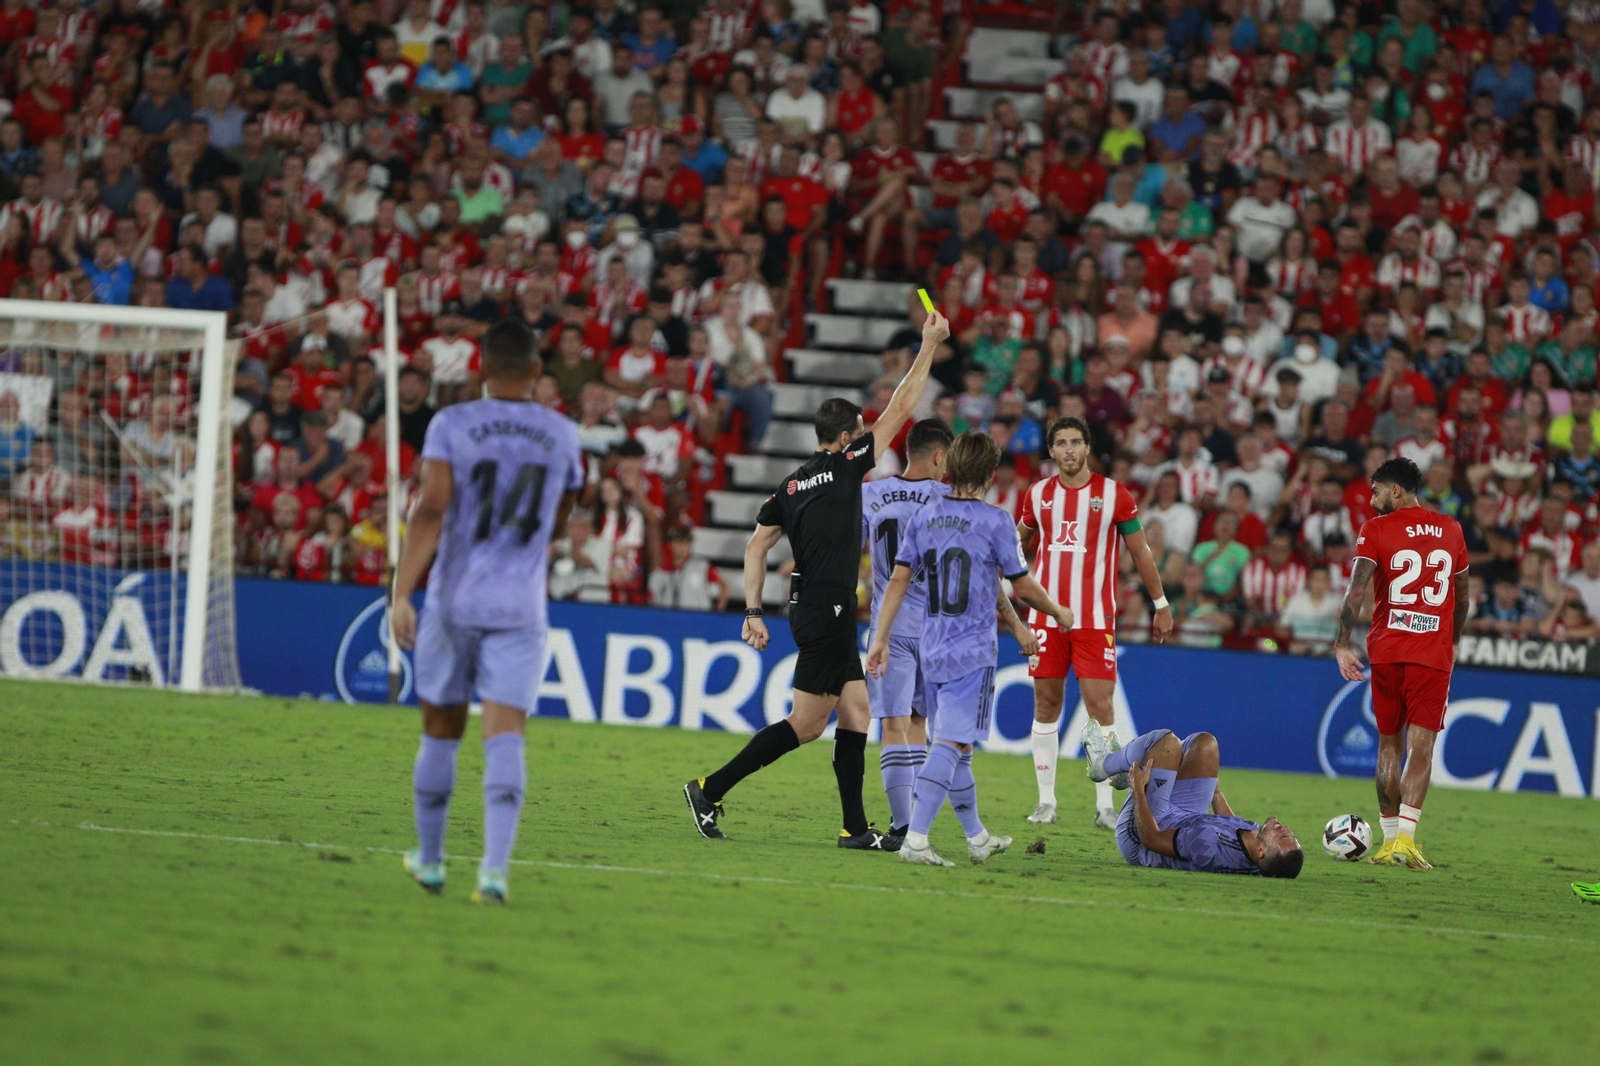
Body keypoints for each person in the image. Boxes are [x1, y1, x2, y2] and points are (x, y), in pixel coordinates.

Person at [683, 310, 949, 848]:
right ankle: (710, 788)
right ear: (849, 436)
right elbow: (902, 407)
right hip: (827, 606)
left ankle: (856, 828)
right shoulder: (849, 464)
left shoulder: (790, 485)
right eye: (860, 433)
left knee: (856, 714)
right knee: (805, 725)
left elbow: (756, 545)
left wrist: (753, 610)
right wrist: (928, 346)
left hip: (813, 604)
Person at [389, 320, 585, 904]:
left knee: (441, 733)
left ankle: (429, 861)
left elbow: (432, 509)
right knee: (506, 738)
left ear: (480, 370)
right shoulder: (563, 434)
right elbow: (560, 514)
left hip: (455, 599)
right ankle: (494, 873)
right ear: (535, 373)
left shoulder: (452, 424)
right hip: (520, 605)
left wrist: (401, 592)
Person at [868, 431, 1075, 867]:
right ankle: (916, 839)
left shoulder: (925, 517)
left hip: (932, 647)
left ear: (951, 466)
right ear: (990, 473)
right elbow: (1020, 585)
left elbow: (899, 581)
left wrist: (881, 638)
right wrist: (1057, 611)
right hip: (972, 651)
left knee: (959, 747)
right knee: (949, 743)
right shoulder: (997, 522)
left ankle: (977, 836)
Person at [1016, 416, 1173, 829]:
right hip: (1046, 620)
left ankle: (1105, 804)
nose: (1068, 450)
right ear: (1051, 450)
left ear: (1087, 448)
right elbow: (1016, 547)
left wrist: (1160, 603)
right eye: (1061, 443)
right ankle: (1046, 801)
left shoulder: (1114, 495)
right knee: (1046, 704)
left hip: (1094, 618)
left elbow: (1140, 553)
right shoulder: (1037, 495)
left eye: (1075, 442)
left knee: (1100, 705)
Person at [1333, 457, 1469, 871]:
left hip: (1388, 649)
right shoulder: (1451, 528)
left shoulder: (1375, 530)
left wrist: (1341, 644)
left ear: (1396, 490)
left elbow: (1357, 591)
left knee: (1389, 744)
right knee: (1422, 748)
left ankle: (1389, 841)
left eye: (1375, 491)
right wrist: (1455, 639)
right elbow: (1462, 598)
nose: (1371, 500)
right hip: (1433, 655)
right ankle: (1406, 842)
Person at [1086, 728, 1303, 877]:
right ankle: (1127, 766)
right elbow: (1233, 827)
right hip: (1187, 819)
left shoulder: (1207, 845)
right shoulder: (1257, 844)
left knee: (1166, 743)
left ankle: (1103, 765)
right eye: (1290, 834)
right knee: (1205, 743)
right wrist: (1216, 794)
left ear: (1261, 851)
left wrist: (1138, 790)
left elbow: (1151, 839)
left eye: (1282, 835)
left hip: (1145, 833)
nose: (1285, 828)